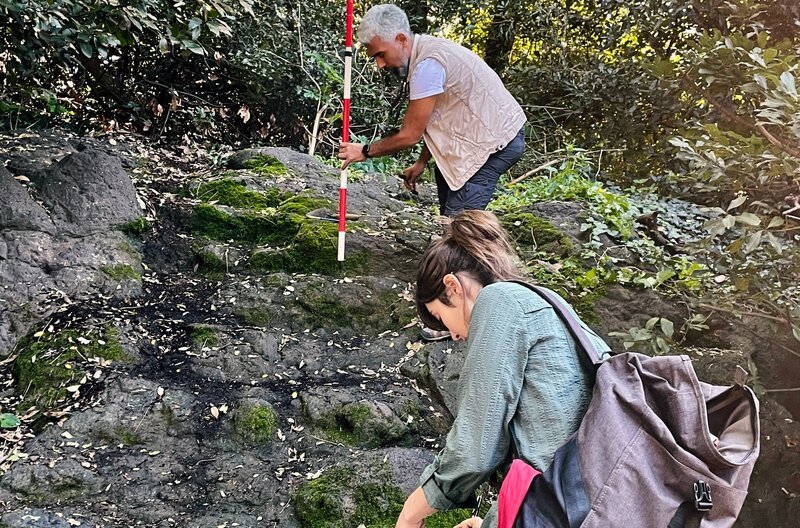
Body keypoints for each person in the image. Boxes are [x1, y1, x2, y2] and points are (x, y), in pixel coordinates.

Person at [395, 210, 610, 528]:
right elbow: (550, 444)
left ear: (453, 287)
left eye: (439, 317)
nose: (453, 334)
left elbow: (474, 450)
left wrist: (410, 515)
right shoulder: (547, 302)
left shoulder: (499, 302)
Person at [338, 4, 526, 218]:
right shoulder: (426, 51)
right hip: (483, 137)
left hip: (495, 143)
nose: (380, 64)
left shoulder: (428, 66)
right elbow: (434, 119)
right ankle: (458, 241)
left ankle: (470, 246)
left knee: (460, 225)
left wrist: (364, 151)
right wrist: (421, 161)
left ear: (401, 39)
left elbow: (409, 135)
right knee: (447, 186)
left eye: (381, 54)